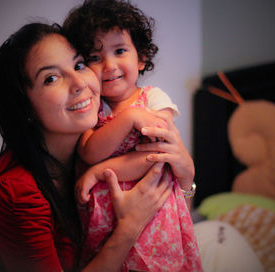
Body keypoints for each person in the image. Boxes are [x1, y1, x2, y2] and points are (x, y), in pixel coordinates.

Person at [0, 22, 193, 272]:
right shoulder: (18, 192)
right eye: (51, 78)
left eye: (79, 65)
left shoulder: (94, 149)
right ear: (25, 106)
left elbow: (169, 221)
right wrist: (129, 227)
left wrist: (186, 180)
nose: (79, 83)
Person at [63, 1, 202, 271]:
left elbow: (157, 158)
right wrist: (128, 120)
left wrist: (100, 171)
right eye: (94, 56)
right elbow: (89, 151)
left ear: (141, 58)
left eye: (120, 51)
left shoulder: (153, 100)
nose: (109, 64)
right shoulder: (93, 106)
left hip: (157, 217)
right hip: (107, 224)